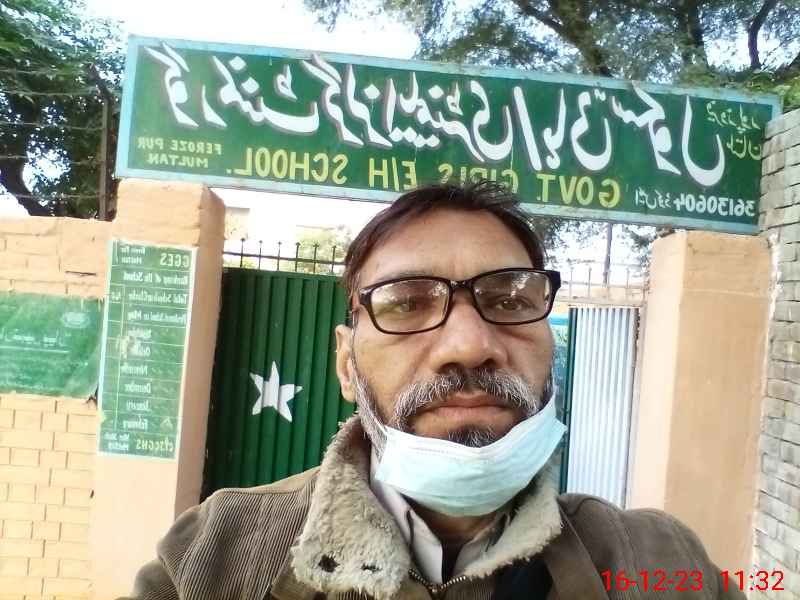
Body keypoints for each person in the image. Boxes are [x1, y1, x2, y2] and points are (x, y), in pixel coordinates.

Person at [123, 181, 742, 599]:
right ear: (346, 365)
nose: (469, 345)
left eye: (509, 300)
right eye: (407, 302)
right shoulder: (214, 555)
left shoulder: (657, 563)